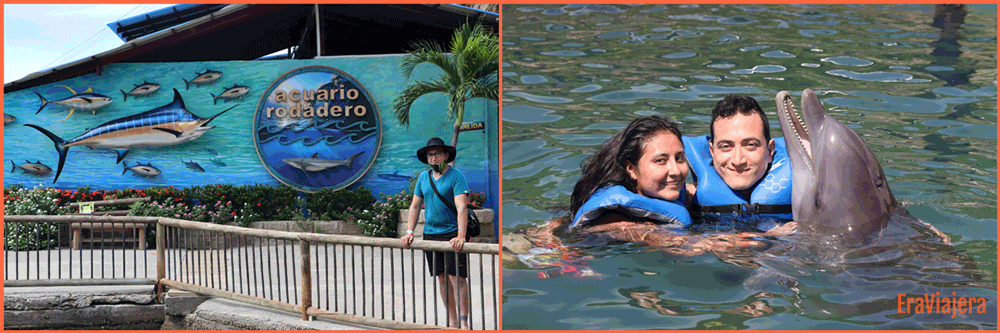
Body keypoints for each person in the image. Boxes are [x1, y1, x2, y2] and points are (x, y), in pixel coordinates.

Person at [567, 116, 692, 243]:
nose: (676, 171)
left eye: (679, 158)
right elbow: (685, 249)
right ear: (631, 169)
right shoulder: (619, 221)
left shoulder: (683, 193)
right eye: (660, 161)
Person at [683, 94, 796, 234]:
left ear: (770, 150)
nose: (738, 160)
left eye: (750, 145)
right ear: (712, 151)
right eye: (726, 146)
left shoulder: (800, 191)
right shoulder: (688, 197)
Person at [400, 137, 471, 329]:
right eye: (430, 155)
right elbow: (415, 206)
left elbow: (461, 206)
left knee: (458, 278)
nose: (433, 158)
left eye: (437, 154)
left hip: (452, 234)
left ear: (446, 155)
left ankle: (464, 322)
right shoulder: (424, 178)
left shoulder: (457, 176)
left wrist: (461, 236)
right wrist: (409, 231)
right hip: (431, 234)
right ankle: (452, 320)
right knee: (441, 277)